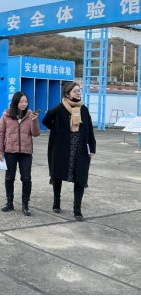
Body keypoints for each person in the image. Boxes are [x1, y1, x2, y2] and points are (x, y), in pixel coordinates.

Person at [43, 82, 96, 221]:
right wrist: (57, 130)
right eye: (75, 91)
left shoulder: (84, 109)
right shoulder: (60, 108)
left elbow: (90, 129)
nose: (78, 93)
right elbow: (46, 120)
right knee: (58, 175)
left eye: (79, 90)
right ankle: (56, 201)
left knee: (80, 178)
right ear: (67, 94)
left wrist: (92, 147)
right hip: (62, 148)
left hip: (80, 149)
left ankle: (77, 208)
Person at [0, 92, 41, 217]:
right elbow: (0, 134)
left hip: (26, 152)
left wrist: (34, 121)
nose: (24, 104)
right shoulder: (6, 115)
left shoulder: (31, 115)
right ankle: (9, 202)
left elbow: (36, 133)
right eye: (21, 101)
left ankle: (25, 205)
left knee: (26, 178)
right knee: (9, 177)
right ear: (15, 102)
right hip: (10, 151)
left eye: (26, 101)